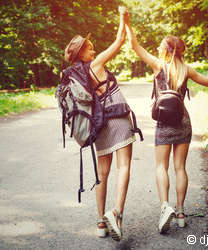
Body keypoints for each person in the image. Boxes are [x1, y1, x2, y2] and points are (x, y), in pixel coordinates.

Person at [124, 14, 208, 233]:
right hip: (183, 121)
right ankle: (181, 212)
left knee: (161, 166)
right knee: (180, 167)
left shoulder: (159, 66)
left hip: (164, 122)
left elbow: (134, 45)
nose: (158, 48)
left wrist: (128, 22)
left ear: (167, 50)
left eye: (161, 45)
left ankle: (164, 206)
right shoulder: (186, 69)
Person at [64, 6, 136, 241]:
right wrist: (123, 17)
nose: (93, 50)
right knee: (123, 166)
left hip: (99, 125)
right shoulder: (97, 65)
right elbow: (120, 39)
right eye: (89, 48)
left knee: (102, 174)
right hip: (118, 117)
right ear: (80, 53)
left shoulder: (75, 74)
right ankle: (116, 213)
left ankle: (100, 222)